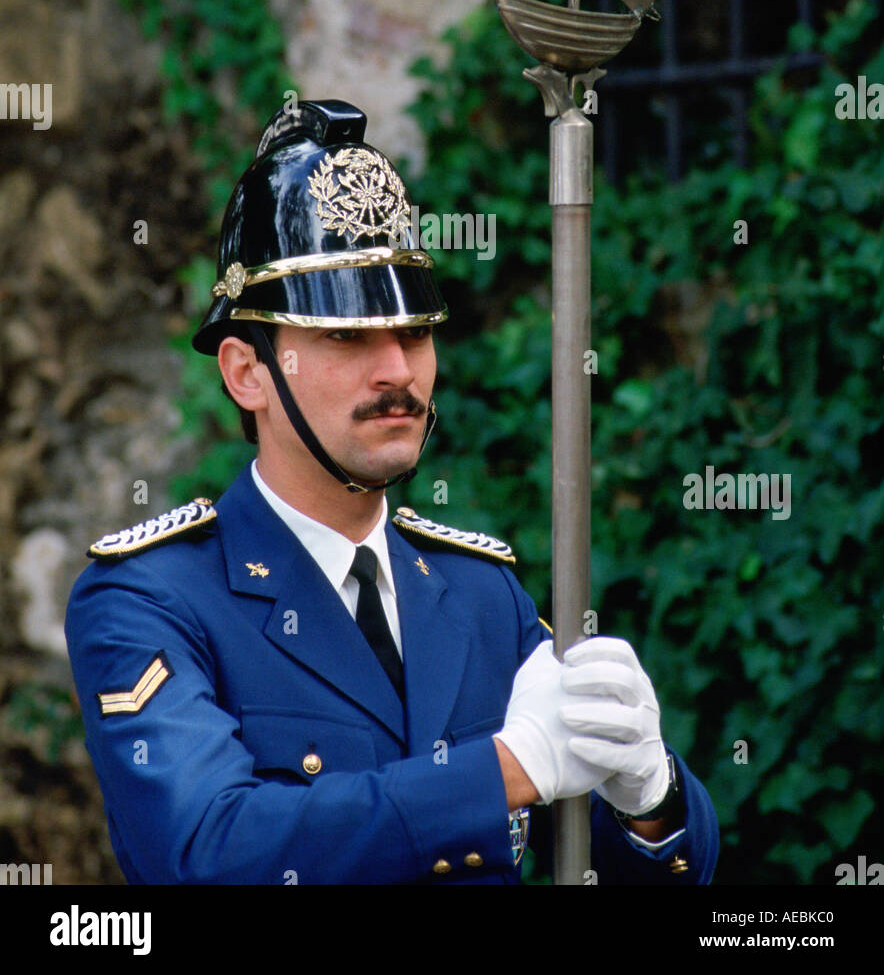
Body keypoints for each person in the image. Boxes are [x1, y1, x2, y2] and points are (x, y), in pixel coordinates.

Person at [65, 99, 718, 885]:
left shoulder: (481, 596)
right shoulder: (151, 599)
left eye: (413, 332)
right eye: (347, 337)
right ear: (247, 373)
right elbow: (211, 854)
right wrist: (505, 772)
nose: (398, 371)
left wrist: (646, 797)